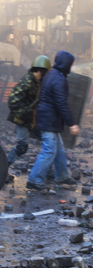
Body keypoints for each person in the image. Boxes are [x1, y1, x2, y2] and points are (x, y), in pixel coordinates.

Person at [26, 51, 80, 190]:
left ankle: (62, 176)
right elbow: (61, 103)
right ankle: (34, 180)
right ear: (66, 64)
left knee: (59, 149)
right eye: (70, 65)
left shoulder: (52, 74)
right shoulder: (59, 79)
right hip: (49, 120)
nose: (71, 68)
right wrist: (71, 124)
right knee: (49, 151)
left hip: (48, 119)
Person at [4, 56, 52, 185]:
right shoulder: (27, 81)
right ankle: (3, 167)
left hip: (32, 119)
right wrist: (28, 112)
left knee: (49, 143)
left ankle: (49, 172)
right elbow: (13, 101)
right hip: (23, 120)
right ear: (40, 70)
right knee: (22, 147)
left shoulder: (38, 82)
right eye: (46, 71)